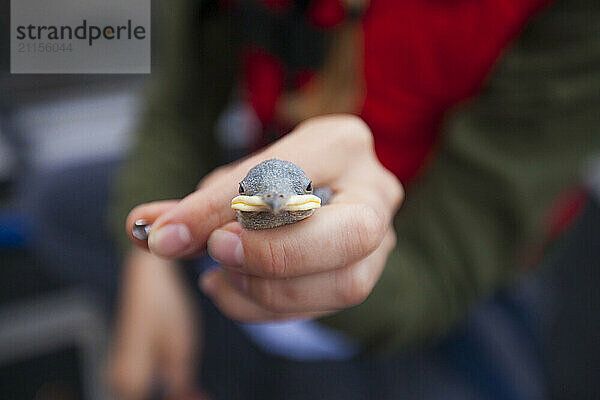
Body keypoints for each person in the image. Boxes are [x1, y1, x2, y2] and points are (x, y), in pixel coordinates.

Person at [108, 0, 600, 398]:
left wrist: (360, 265)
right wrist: (149, 261)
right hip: (258, 207)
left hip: (458, 270)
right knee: (59, 203)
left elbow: (454, 251)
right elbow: (178, 109)